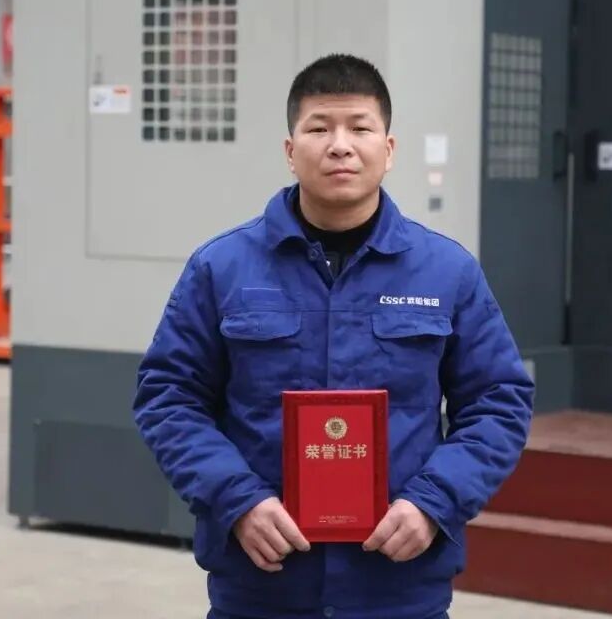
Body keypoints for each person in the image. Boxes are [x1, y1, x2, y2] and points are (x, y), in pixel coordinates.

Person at [133, 54, 534, 619]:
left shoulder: (446, 272)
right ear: (290, 150)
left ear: (388, 150)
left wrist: (434, 501)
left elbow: (499, 401)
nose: (340, 146)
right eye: (319, 128)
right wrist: (235, 499)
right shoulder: (221, 268)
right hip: (263, 586)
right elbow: (169, 396)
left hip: (398, 587)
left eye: (360, 128)